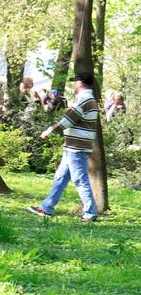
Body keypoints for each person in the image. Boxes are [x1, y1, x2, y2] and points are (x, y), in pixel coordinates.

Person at [28, 71, 99, 222]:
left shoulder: (83, 99)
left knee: (80, 179)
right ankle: (46, 207)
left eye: (75, 81)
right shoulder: (89, 98)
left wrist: (48, 132)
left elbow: (68, 120)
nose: (74, 84)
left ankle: (91, 212)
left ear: (80, 83)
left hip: (76, 147)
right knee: (61, 177)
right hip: (73, 146)